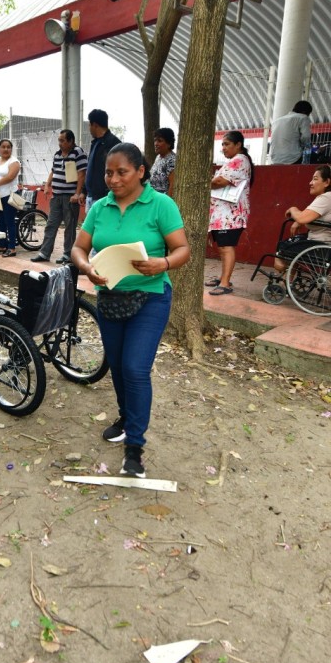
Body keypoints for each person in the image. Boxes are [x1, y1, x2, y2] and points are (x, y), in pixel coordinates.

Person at [70, 143, 189, 479]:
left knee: (136, 368)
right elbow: (79, 248)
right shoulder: (100, 208)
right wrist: (86, 267)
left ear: (140, 171)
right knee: (119, 367)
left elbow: (183, 250)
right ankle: (125, 417)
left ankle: (134, 446)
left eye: (121, 172)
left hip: (151, 297)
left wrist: (162, 262)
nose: (113, 179)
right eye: (109, 172)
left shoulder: (160, 205)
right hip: (110, 298)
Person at [273, 165, 331, 274]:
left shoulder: (327, 198)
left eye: (315, 179)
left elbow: (302, 217)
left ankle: (282, 273)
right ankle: (286, 283)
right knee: (295, 242)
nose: (310, 183)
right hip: (329, 244)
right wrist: (299, 221)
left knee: (281, 248)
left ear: (327, 182)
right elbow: (307, 217)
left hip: (320, 247)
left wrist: (293, 209)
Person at [206, 131, 253, 295]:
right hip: (223, 215)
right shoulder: (236, 160)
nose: (223, 148)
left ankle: (225, 283)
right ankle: (223, 277)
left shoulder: (239, 160)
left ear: (238, 144)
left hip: (230, 215)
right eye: (222, 144)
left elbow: (219, 181)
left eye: (227, 144)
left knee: (226, 247)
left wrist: (205, 182)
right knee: (223, 247)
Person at [30, 130, 87, 265]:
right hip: (56, 196)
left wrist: (77, 194)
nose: (60, 143)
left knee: (69, 227)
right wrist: (47, 185)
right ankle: (45, 253)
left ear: (71, 141)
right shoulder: (57, 154)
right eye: (59, 140)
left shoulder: (78, 153)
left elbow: (82, 174)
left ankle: (68, 255)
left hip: (70, 197)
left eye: (62, 140)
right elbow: (53, 171)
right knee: (51, 224)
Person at [84, 109, 121, 209]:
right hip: (90, 197)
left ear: (95, 125)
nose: (89, 128)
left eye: (89, 125)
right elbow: (90, 169)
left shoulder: (114, 144)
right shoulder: (95, 143)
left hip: (104, 197)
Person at [269, 100, 313, 165]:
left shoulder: (276, 121)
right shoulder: (303, 118)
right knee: (315, 158)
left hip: (275, 158)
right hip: (292, 158)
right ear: (305, 112)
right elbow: (306, 137)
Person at [149, 127, 177, 196]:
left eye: (160, 141)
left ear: (169, 144)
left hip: (162, 202)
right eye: (155, 140)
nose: (156, 144)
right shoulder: (158, 157)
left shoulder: (172, 160)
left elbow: (172, 186)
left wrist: (166, 204)